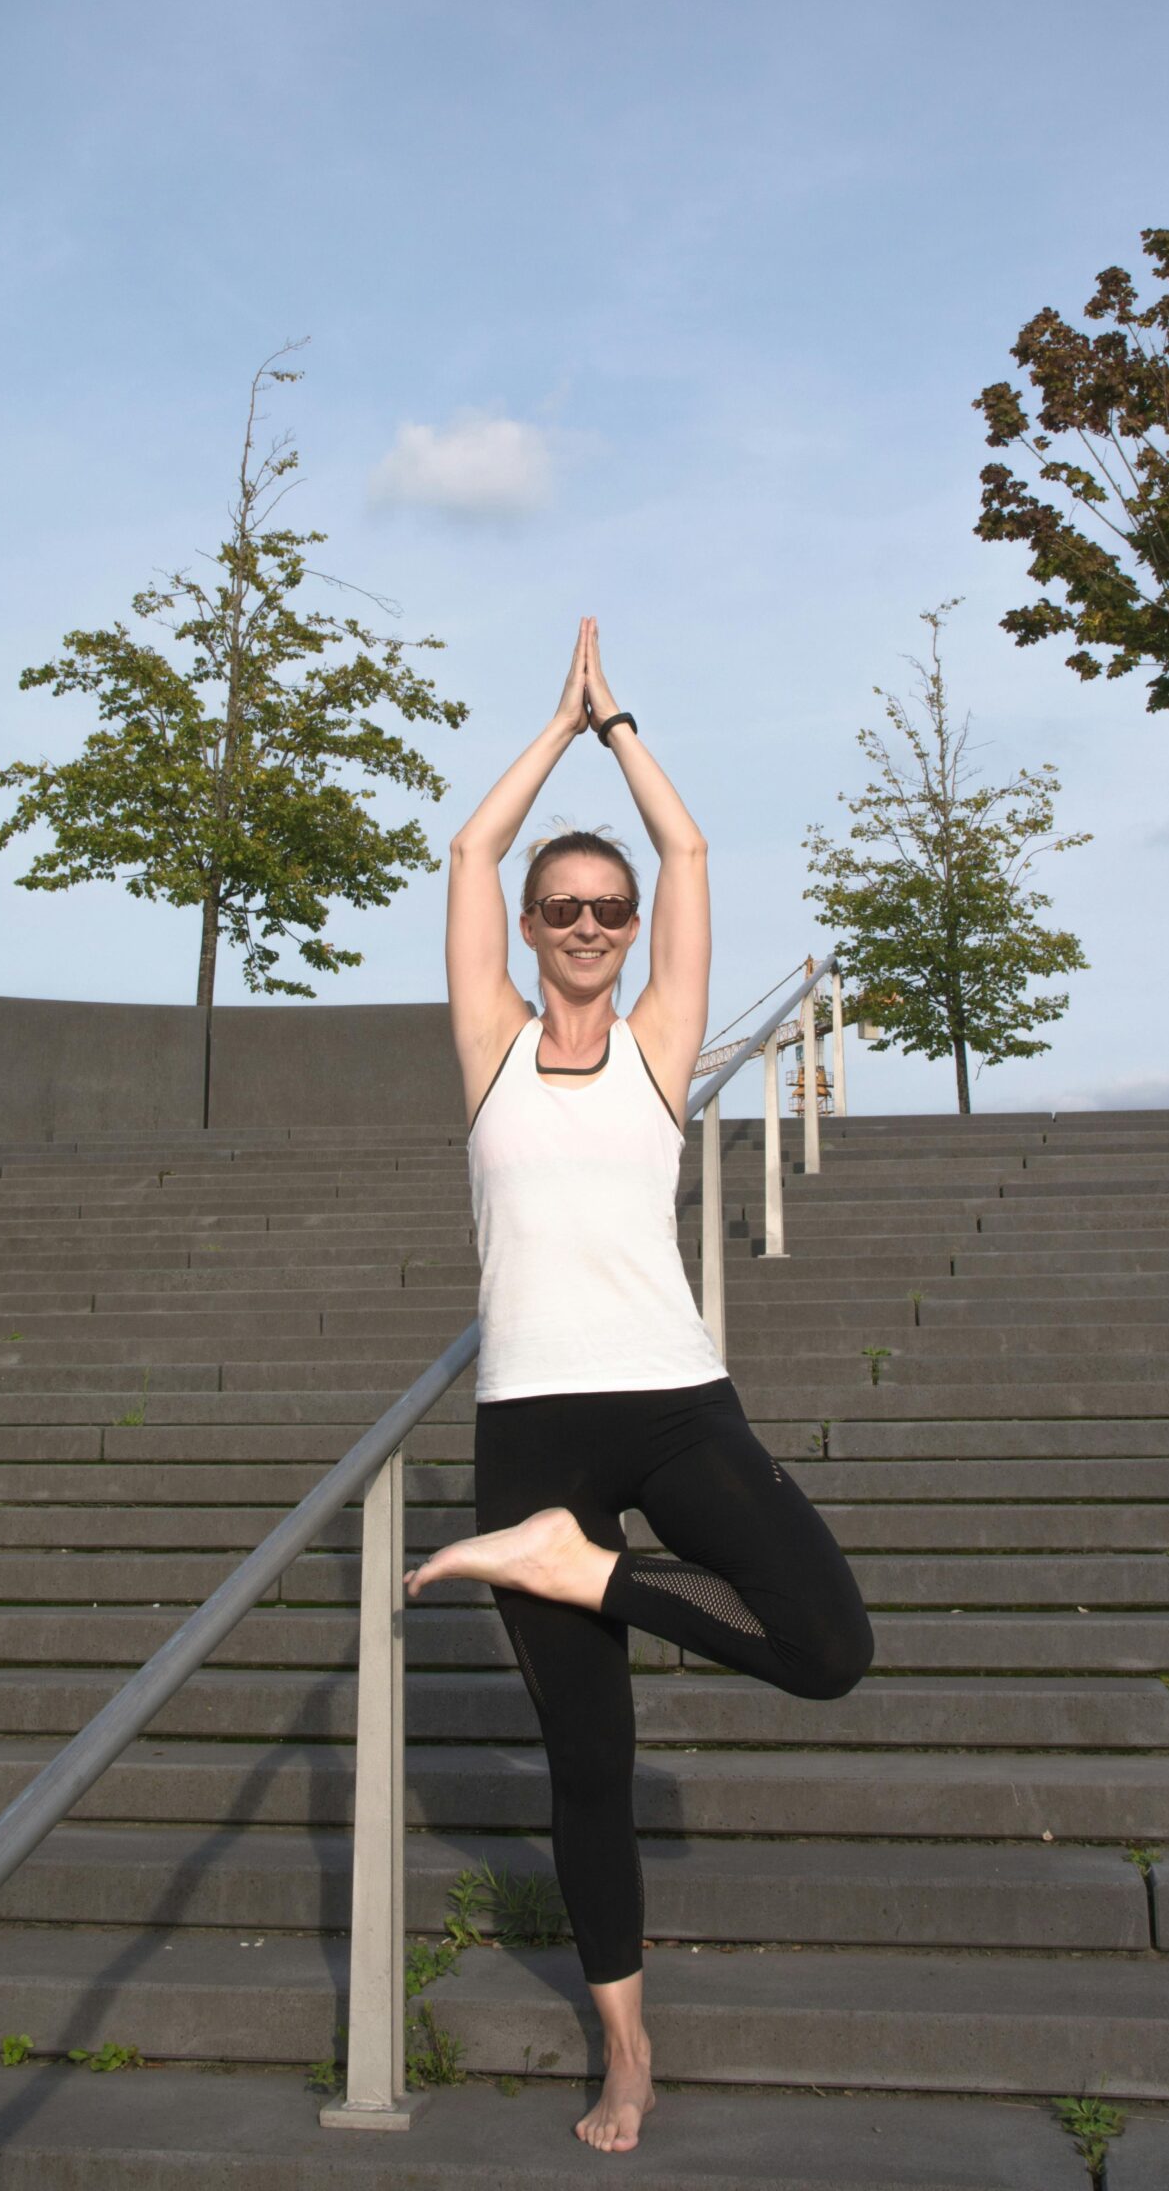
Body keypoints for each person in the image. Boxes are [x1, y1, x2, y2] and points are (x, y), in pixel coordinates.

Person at [407, 617, 873, 2156]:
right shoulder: (489, 1044)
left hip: (676, 1402)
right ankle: (626, 2052)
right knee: (590, 1768)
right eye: (568, 908)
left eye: (609, 908)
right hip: (533, 1421)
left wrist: (622, 729)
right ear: (534, 930)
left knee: (826, 1647)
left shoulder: (665, 1048)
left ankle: (587, 1573)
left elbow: (688, 842)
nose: (595, 924)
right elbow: (470, 851)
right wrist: (547, 731)